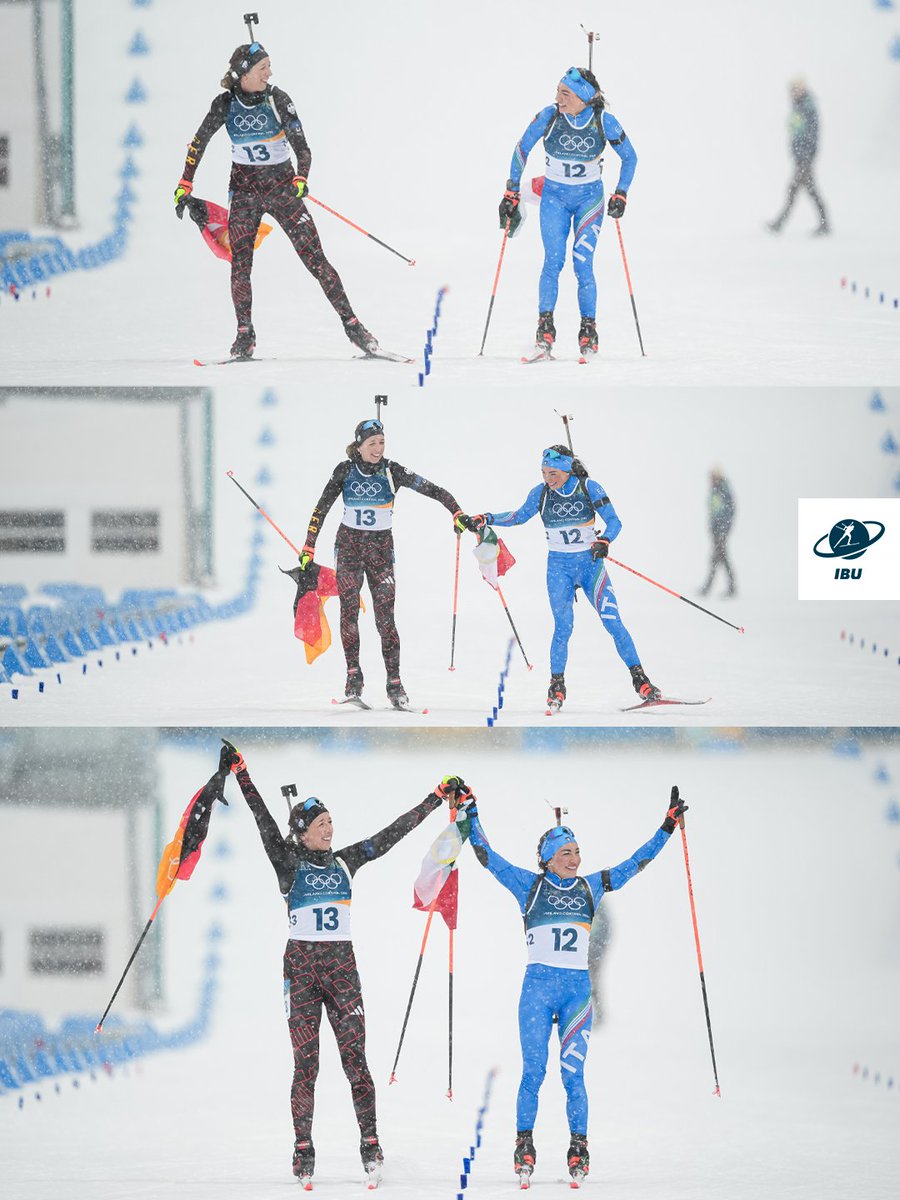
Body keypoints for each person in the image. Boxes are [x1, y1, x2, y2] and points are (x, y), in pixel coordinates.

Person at [219, 740, 462, 1185]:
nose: (330, 829)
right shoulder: (287, 864)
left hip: (341, 971)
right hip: (302, 971)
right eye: (321, 823)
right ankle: (303, 1149)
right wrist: (241, 773)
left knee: (356, 1062)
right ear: (303, 832)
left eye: (331, 821)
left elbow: (390, 835)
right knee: (305, 1065)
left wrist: (435, 798)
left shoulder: (347, 861)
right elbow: (263, 822)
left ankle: (370, 1144)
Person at [459, 785, 686, 1186]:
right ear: (547, 858)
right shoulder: (528, 885)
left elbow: (637, 862)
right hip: (537, 992)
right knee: (534, 1072)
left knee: (573, 1077)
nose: (575, 859)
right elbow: (486, 856)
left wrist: (667, 826)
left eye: (578, 853)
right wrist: (471, 812)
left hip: (576, 995)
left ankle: (578, 1146)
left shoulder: (590, 887)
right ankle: (524, 1144)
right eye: (566, 853)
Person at [173, 41, 380, 359]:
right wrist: (185, 181)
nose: (270, 72)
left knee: (316, 261)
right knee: (240, 266)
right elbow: (198, 142)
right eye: (262, 68)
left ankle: (354, 327)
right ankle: (245, 335)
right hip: (244, 191)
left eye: (269, 66)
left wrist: (302, 177)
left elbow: (303, 147)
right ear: (244, 73)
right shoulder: (225, 104)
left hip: (282, 189)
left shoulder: (277, 99)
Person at [461, 446, 660, 709]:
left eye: (553, 473)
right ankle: (556, 685)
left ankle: (641, 681)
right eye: (543, 472)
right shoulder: (541, 493)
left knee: (613, 622)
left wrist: (604, 540)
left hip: (591, 567)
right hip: (559, 569)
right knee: (563, 627)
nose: (547, 478)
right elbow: (518, 517)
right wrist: (487, 518)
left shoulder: (589, 487)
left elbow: (615, 522)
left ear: (567, 469)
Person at [299, 418, 468, 709]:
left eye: (382, 443)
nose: (378, 449)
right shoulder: (345, 470)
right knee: (349, 613)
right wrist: (308, 545)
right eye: (372, 444)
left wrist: (457, 512)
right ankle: (354, 679)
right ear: (359, 445)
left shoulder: (393, 471)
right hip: (349, 549)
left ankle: (395, 684)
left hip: (380, 552)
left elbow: (435, 490)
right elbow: (321, 508)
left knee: (385, 620)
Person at [498, 67, 637, 358]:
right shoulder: (549, 117)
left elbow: (630, 157)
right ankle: (544, 328)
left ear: (584, 98)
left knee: (582, 265)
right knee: (553, 261)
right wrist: (512, 190)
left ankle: (588, 330)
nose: (558, 98)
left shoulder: (603, 121)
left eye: (566, 94)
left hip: (589, 201)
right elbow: (522, 148)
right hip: (554, 199)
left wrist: (621, 193)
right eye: (558, 91)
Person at [767, 79, 830, 236]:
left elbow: (811, 133)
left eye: (795, 90)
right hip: (800, 156)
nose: (792, 93)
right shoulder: (799, 106)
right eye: (791, 90)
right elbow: (796, 130)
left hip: (805, 157)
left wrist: (806, 154)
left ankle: (780, 222)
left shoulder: (807, 107)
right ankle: (823, 223)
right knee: (809, 189)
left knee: (795, 189)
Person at [699, 468, 736, 598]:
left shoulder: (723, 490)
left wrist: (723, 530)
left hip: (721, 530)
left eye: (712, 476)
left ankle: (709, 586)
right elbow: (713, 511)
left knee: (718, 557)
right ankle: (730, 586)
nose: (710, 479)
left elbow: (729, 511)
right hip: (716, 530)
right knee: (721, 558)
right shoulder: (715, 490)